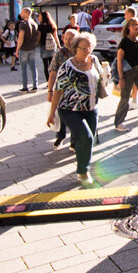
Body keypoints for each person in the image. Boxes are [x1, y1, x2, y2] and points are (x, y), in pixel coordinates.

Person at [47, 32, 106, 184]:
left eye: (89, 48)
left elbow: (100, 77)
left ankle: (82, 165)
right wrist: (52, 113)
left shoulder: (94, 60)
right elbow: (58, 89)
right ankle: (83, 172)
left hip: (92, 107)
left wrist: (107, 76)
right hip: (70, 109)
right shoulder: (67, 67)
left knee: (89, 139)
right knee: (85, 136)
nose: (87, 51)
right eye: (83, 48)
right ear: (75, 48)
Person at [47, 28, 79, 148]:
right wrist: (50, 91)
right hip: (62, 90)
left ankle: (74, 141)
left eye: (71, 39)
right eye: (66, 38)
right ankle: (60, 136)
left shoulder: (80, 51)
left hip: (77, 90)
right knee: (62, 114)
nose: (68, 41)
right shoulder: (59, 53)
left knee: (75, 116)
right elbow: (53, 73)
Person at [15, 8, 42, 92]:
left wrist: (17, 49)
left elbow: (21, 37)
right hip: (33, 47)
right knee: (33, 67)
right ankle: (35, 86)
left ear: (26, 13)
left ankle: (25, 86)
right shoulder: (34, 23)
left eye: (22, 12)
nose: (21, 14)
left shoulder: (22, 24)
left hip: (24, 48)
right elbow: (38, 35)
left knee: (23, 68)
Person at [37, 10, 58, 78]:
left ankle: (48, 81)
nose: (38, 17)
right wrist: (59, 45)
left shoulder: (40, 26)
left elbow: (39, 38)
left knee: (45, 66)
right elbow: (56, 37)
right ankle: (53, 80)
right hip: (52, 47)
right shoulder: (52, 26)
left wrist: (35, 43)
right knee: (52, 65)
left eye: (39, 16)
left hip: (44, 46)